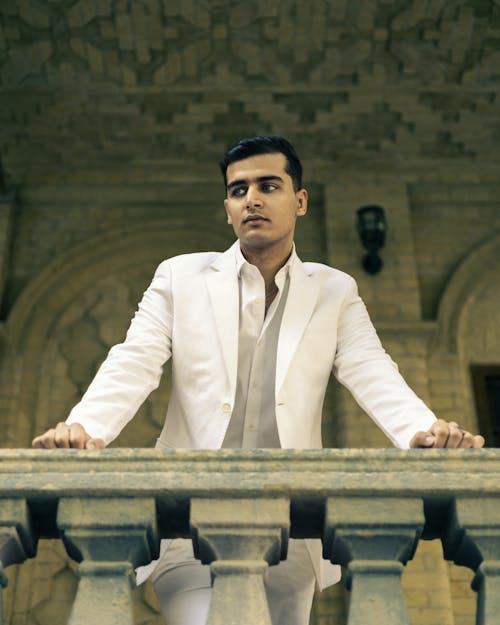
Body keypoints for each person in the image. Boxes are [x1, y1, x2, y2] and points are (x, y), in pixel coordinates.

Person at [32, 136, 484, 625]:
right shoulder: (179, 278)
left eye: (269, 185)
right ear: (227, 208)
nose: (252, 199)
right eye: (238, 190)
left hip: (292, 530)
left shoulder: (334, 290)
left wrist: (422, 431)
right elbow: (134, 360)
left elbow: (371, 368)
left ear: (300, 201)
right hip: (184, 525)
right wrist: (84, 428)